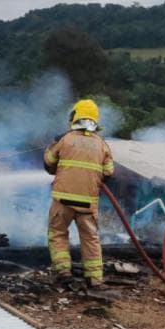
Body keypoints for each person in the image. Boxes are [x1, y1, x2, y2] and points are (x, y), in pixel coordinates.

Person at [43, 99, 114, 290]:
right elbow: (108, 172)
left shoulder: (66, 139)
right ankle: (95, 280)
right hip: (88, 204)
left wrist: (54, 143)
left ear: (74, 116)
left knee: (58, 234)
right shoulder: (101, 144)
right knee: (91, 239)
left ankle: (63, 273)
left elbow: (49, 162)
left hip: (63, 201)